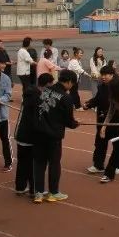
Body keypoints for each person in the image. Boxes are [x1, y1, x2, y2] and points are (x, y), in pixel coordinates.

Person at [32, 69, 81, 203]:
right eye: (72, 84)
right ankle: (53, 192)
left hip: (38, 133)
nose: (72, 86)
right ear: (69, 82)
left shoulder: (46, 90)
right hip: (53, 135)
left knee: (39, 163)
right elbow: (69, 121)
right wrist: (76, 124)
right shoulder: (66, 98)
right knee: (54, 163)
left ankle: (38, 193)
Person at [13, 74, 46, 196]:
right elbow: (39, 121)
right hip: (31, 137)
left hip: (21, 135)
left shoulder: (27, 98)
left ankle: (20, 187)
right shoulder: (37, 100)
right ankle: (34, 189)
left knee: (22, 163)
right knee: (34, 163)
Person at [86, 65, 116, 174]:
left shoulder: (117, 87)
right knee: (99, 142)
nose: (103, 77)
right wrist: (89, 104)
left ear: (112, 75)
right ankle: (98, 165)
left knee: (118, 144)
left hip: (114, 120)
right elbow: (98, 99)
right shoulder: (101, 86)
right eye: (102, 74)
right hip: (101, 119)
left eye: (106, 75)